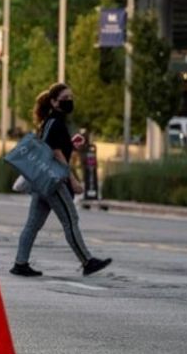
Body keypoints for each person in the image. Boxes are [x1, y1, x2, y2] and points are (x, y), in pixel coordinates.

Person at [10, 82, 111, 278]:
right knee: (70, 219)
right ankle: (87, 261)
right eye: (65, 99)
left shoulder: (48, 122)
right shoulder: (56, 123)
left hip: (41, 180)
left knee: (33, 224)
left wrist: (70, 145)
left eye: (71, 98)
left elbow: (53, 146)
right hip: (53, 180)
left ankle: (20, 263)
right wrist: (72, 179)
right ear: (54, 102)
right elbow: (56, 153)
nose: (69, 102)